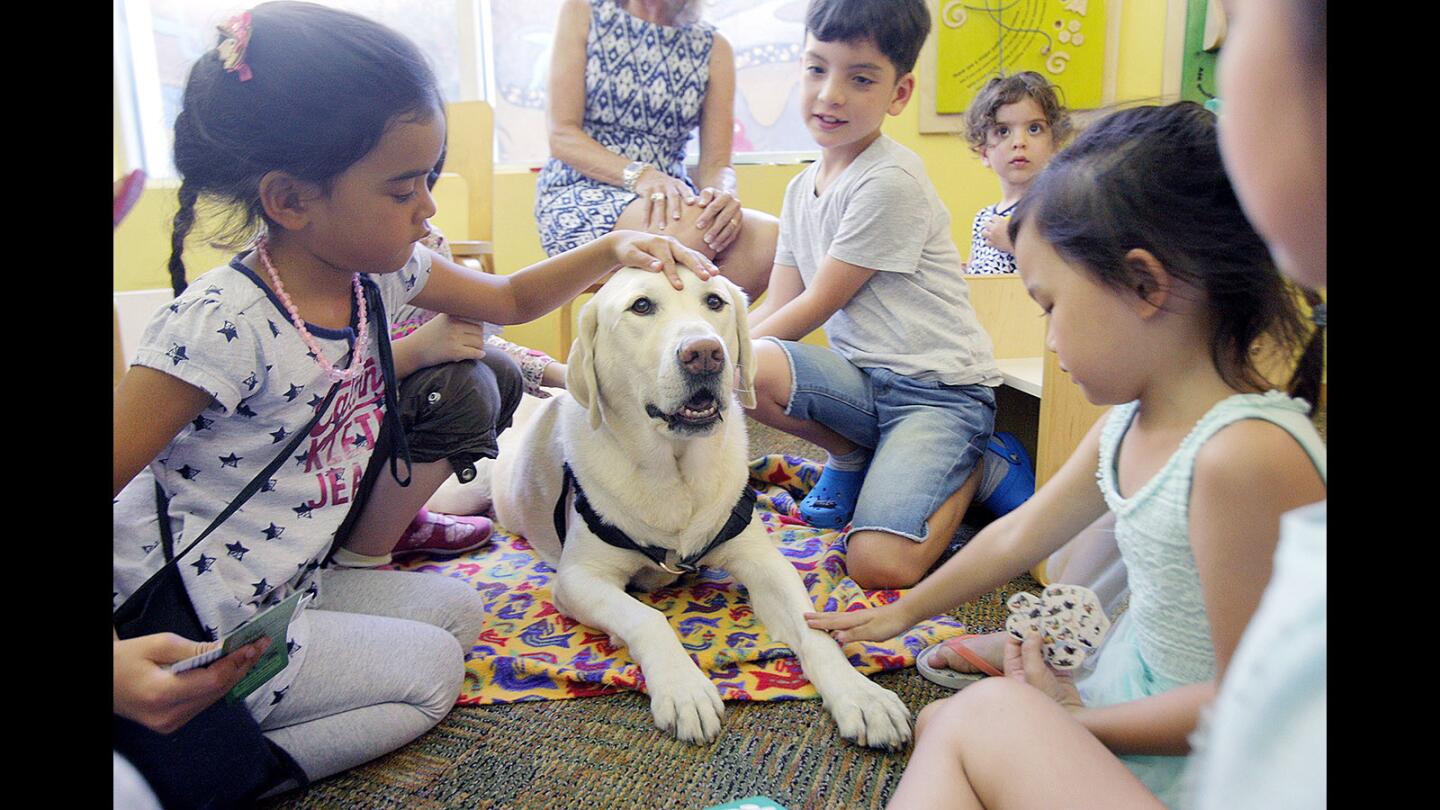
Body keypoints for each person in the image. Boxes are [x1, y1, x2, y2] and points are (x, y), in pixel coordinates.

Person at [112, 2, 715, 800]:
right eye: (404, 189)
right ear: (291, 201)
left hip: (284, 586)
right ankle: (233, 766)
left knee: (458, 614)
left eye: (429, 178)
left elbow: (505, 298)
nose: (429, 208)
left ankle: (220, 725)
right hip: (180, 610)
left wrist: (613, 248)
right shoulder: (221, 325)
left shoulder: (380, 269)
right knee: (431, 676)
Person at [804, 101, 1327, 807]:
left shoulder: (1246, 457)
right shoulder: (1131, 422)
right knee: (942, 722)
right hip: (1132, 701)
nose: (1048, 338)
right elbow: (1021, 533)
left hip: (1209, 771)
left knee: (981, 720)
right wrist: (899, 614)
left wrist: (1078, 724)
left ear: (1144, 285)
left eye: (1052, 307)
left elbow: (1250, 708)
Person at [744, 0, 1031, 590]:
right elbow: (775, 305)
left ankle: (977, 465)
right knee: (749, 365)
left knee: (879, 566)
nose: (830, 94)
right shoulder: (802, 188)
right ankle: (855, 457)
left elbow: (812, 309)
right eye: (817, 69)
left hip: (939, 397)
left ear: (898, 94)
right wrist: (706, 349)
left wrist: (711, 353)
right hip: (867, 384)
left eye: (860, 78)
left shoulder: (889, 181)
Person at [536, 0, 779, 299]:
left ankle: (693, 339)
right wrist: (641, 175)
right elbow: (562, 135)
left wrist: (722, 195)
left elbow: (716, 163)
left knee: (767, 238)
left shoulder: (714, 47)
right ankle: (649, 341)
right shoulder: (584, 12)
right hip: (579, 190)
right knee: (692, 231)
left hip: (672, 198)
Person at [961, 71, 1070, 276]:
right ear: (984, 152)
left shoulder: (1053, 210)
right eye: (1003, 131)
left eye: (1034, 128)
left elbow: (1067, 272)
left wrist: (1015, 244)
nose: (1019, 142)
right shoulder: (983, 218)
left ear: (1054, 144)